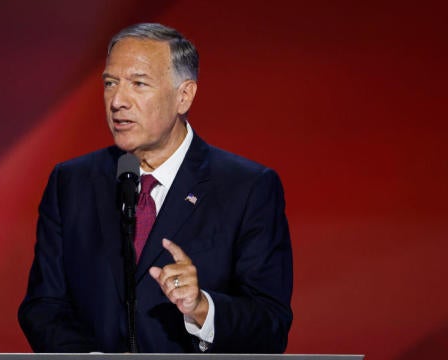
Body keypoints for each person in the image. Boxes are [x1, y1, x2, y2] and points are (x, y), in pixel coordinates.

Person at [18, 23, 293, 353]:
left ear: (184, 95)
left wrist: (202, 308)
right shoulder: (72, 182)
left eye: (138, 83)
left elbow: (271, 324)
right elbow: (43, 306)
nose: (117, 100)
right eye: (110, 83)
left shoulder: (247, 188)